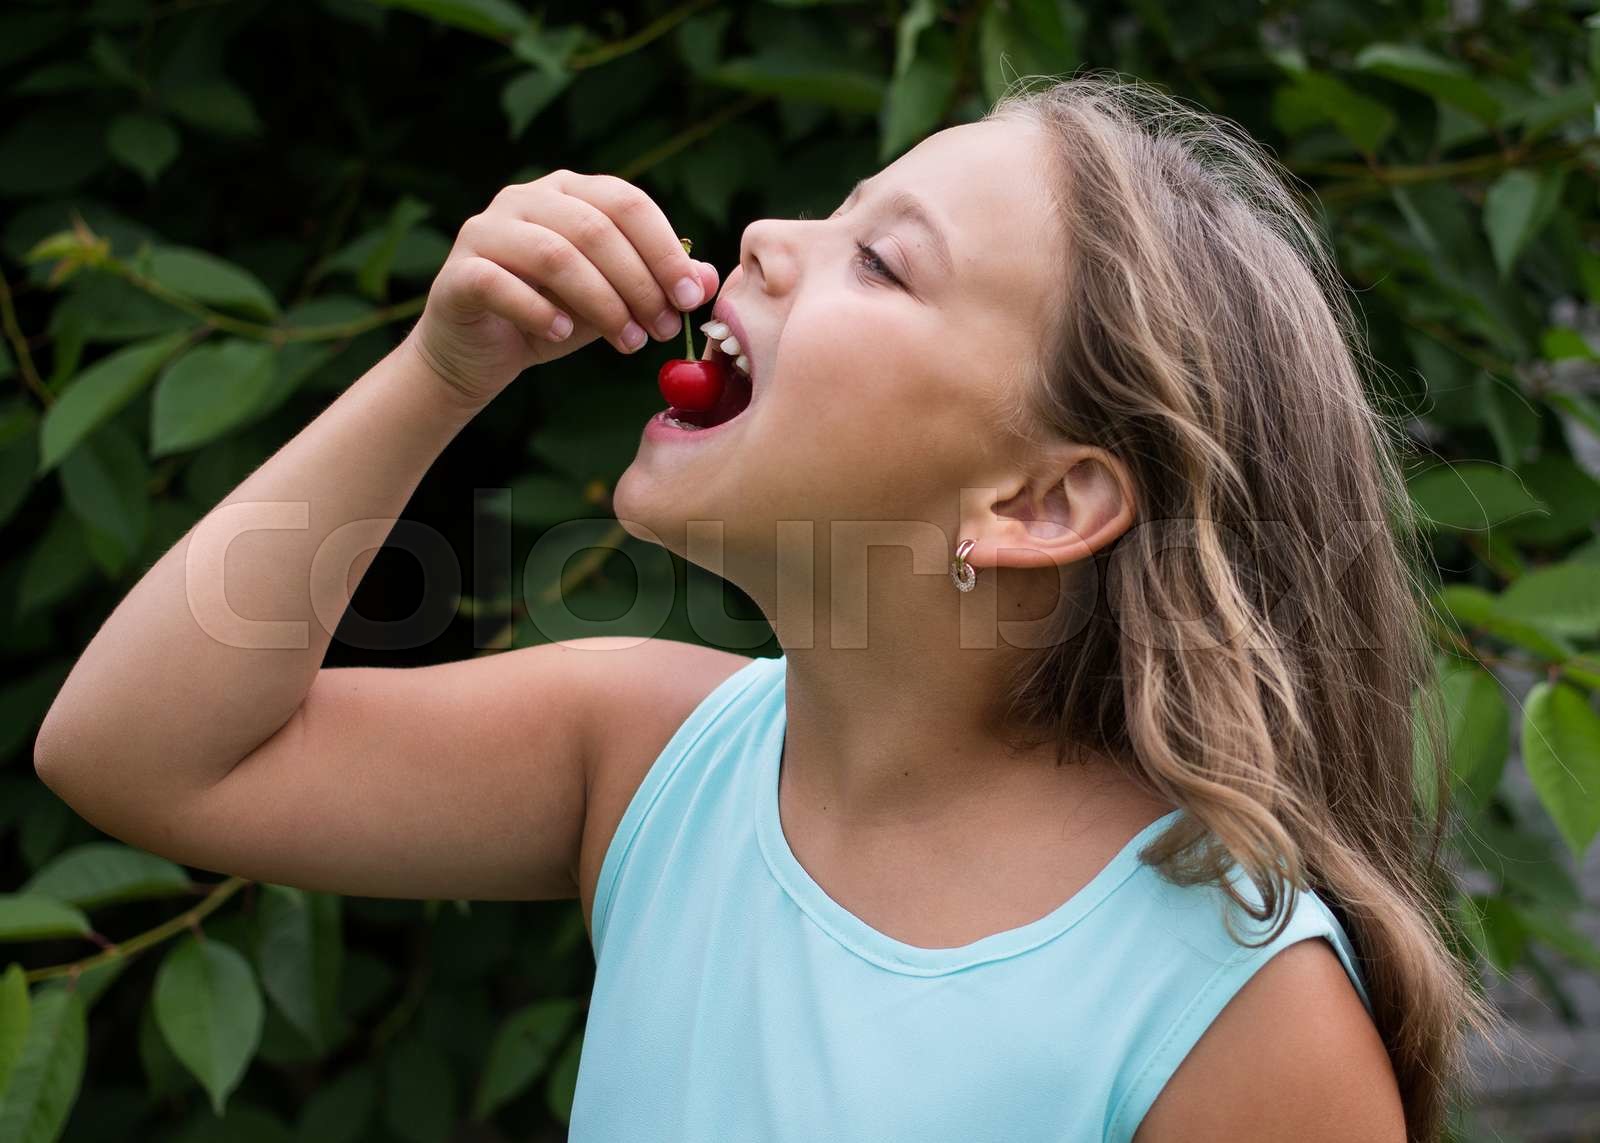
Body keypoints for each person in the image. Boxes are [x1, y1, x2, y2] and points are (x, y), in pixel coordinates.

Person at [35, 72, 1497, 1142]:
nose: (767, 239)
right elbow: (137, 755)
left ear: (1038, 505)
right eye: (838, 207)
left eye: (881, 258)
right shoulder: (648, 757)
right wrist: (440, 373)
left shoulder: (1232, 1012)